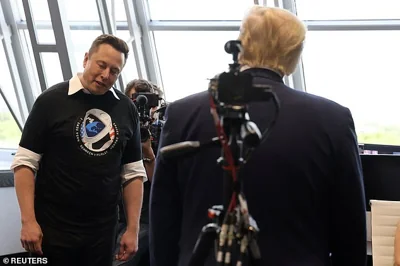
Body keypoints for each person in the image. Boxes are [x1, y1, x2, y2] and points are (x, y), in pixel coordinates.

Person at [149, 6, 367, 266]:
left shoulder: (182, 114)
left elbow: (163, 223)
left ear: (242, 44)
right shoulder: (334, 120)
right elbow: (350, 231)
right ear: (294, 54)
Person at [10, 34, 147, 266]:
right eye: (101, 65)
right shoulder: (51, 101)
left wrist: (132, 229)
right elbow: (25, 163)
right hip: (52, 229)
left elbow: (133, 173)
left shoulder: (126, 109)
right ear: (86, 59)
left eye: (114, 71)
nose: (106, 75)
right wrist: (28, 221)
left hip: (102, 232)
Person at [113, 79, 159, 266]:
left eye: (147, 102)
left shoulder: (163, 130)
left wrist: (148, 152)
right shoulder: (118, 130)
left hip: (150, 215)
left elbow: (160, 183)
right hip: (121, 213)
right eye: (137, 100)